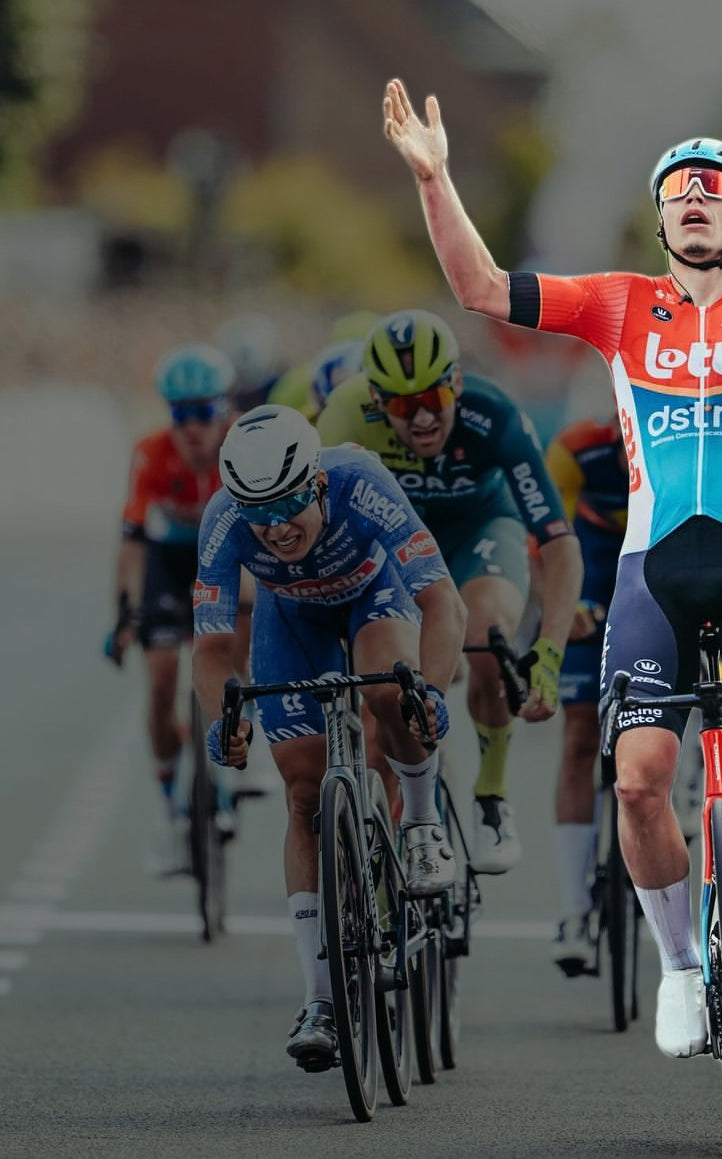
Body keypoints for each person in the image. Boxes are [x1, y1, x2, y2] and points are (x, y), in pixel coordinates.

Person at [382, 57, 722, 1058]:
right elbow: (480, 287)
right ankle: (679, 967)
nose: (694, 203)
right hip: (650, 570)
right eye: (677, 193)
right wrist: (433, 177)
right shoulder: (618, 304)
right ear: (661, 219)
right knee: (636, 782)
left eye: (713, 192)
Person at [192, 404, 467, 1070]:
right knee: (303, 795)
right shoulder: (224, 518)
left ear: (316, 484)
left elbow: (443, 603)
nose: (276, 528)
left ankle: (421, 822)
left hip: (375, 595)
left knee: (389, 693)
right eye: (260, 513)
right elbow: (212, 647)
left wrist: (428, 692)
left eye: (289, 505)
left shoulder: (359, 482)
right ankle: (321, 999)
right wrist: (221, 721)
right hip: (291, 619)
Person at [316, 308, 583, 873]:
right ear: (376, 399)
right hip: (396, 537)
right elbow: (315, 530)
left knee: (487, 637)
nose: (420, 418)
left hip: (479, 528)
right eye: (401, 405)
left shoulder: (494, 416)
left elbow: (560, 545)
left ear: (456, 384)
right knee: (383, 697)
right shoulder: (345, 413)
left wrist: (550, 650)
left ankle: (491, 797)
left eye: (433, 399)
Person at [105, 343, 240, 875]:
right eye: (181, 414)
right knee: (161, 679)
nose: (193, 427)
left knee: (244, 624)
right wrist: (124, 614)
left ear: (223, 409)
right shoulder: (151, 452)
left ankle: (241, 733)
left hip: (228, 556)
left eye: (203, 412)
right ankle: (168, 809)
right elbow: (133, 543)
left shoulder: (242, 444)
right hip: (171, 559)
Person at [543, 413, 628, 973]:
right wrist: (561, 605)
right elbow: (545, 539)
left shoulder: (688, 448)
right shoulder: (575, 449)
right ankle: (574, 909)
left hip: (657, 575)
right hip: (589, 576)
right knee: (579, 734)